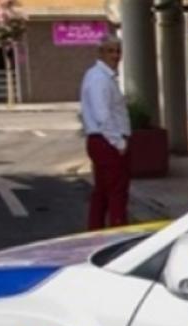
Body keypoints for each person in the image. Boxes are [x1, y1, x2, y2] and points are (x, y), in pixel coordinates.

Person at [79, 36, 132, 230]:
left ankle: (96, 230)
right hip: (106, 142)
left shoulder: (104, 77)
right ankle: (119, 232)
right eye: (110, 51)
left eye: (118, 51)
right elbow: (102, 115)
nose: (116, 56)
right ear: (100, 53)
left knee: (102, 192)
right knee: (117, 193)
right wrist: (119, 143)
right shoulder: (99, 78)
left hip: (103, 141)